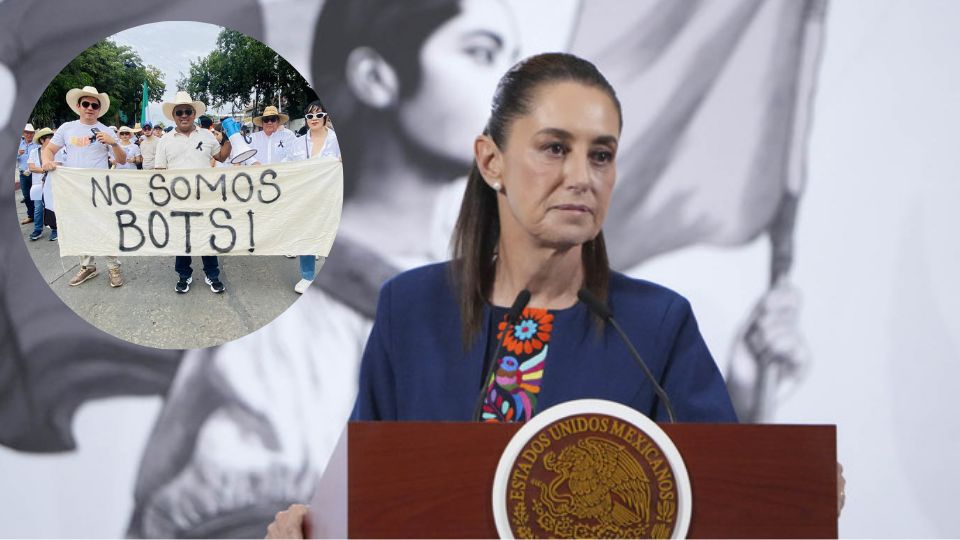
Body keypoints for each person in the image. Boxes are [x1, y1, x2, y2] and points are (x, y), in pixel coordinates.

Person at [265, 52, 737, 538]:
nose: (582, 177)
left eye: (601, 155)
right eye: (555, 148)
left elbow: (731, 502)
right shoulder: (411, 308)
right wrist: (309, 527)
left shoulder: (655, 325)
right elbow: (362, 498)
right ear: (492, 161)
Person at [41, 85, 127, 288]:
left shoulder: (106, 131)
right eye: (86, 104)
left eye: (94, 105)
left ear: (99, 109)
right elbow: (49, 150)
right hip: (74, 188)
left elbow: (122, 160)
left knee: (105, 226)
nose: (90, 108)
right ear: (78, 106)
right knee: (79, 227)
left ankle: (113, 266)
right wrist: (47, 162)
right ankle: (87, 266)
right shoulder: (67, 128)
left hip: (100, 189)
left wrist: (113, 143)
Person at [153, 91, 232, 294]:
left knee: (207, 236)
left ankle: (212, 275)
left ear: (194, 114)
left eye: (188, 111)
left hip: (205, 198)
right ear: (173, 116)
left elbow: (221, 157)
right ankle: (183, 275)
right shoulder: (165, 140)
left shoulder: (207, 136)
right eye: (179, 112)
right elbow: (159, 172)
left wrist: (230, 138)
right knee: (183, 239)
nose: (184, 115)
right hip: (177, 200)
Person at [285, 99, 341, 294]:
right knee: (307, 235)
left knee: (333, 237)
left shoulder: (338, 141)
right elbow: (286, 164)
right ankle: (308, 276)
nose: (314, 118)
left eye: (319, 114)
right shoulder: (298, 143)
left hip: (332, 196)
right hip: (305, 197)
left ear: (326, 117)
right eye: (310, 115)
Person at [26, 127, 53, 240]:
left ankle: (55, 230)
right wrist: (45, 169)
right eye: (49, 138)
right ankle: (37, 230)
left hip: (52, 184)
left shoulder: (55, 151)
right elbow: (31, 167)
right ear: (42, 140)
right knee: (38, 208)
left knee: (52, 207)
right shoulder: (34, 152)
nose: (52, 140)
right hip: (37, 184)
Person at [17, 123, 37, 225]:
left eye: (31, 133)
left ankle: (39, 215)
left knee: (37, 195)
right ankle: (31, 216)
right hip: (23, 174)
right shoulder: (19, 144)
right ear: (23, 133)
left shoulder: (37, 144)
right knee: (26, 195)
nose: (29, 135)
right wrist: (17, 154)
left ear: (33, 134)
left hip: (35, 173)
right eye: (27, 133)